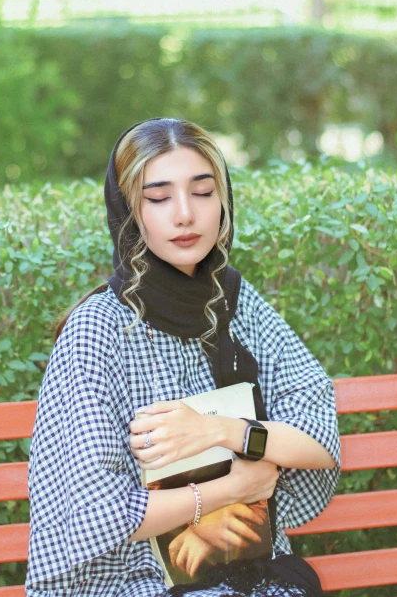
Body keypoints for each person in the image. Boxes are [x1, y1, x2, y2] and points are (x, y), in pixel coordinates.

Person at [26, 117, 340, 597]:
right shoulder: (98, 330)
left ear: (223, 200)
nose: (185, 215)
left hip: (249, 577)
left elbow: (319, 438)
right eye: (158, 197)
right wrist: (230, 490)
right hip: (130, 584)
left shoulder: (234, 301)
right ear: (129, 212)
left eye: (202, 191)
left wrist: (222, 431)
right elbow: (97, 517)